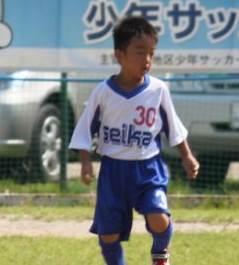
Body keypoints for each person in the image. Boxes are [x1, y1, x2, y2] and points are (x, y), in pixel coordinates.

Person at [69, 16, 200, 265]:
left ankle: (160, 256)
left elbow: (173, 127)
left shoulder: (158, 90)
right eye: (140, 53)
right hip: (113, 171)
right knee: (108, 234)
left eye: (152, 53)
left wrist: (187, 156)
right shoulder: (103, 92)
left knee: (159, 218)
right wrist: (85, 162)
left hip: (148, 168)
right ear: (120, 55)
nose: (147, 59)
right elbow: (84, 131)